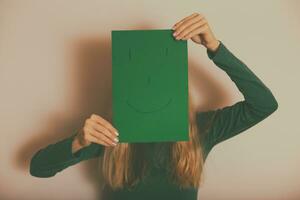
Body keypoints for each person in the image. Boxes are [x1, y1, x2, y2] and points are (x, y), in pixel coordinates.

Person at [29, 12, 278, 200]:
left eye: (161, 77)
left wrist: (214, 47)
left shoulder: (203, 128)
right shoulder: (111, 133)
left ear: (179, 84)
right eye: (141, 79)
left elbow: (264, 104)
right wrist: (79, 142)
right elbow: (38, 168)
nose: (150, 85)